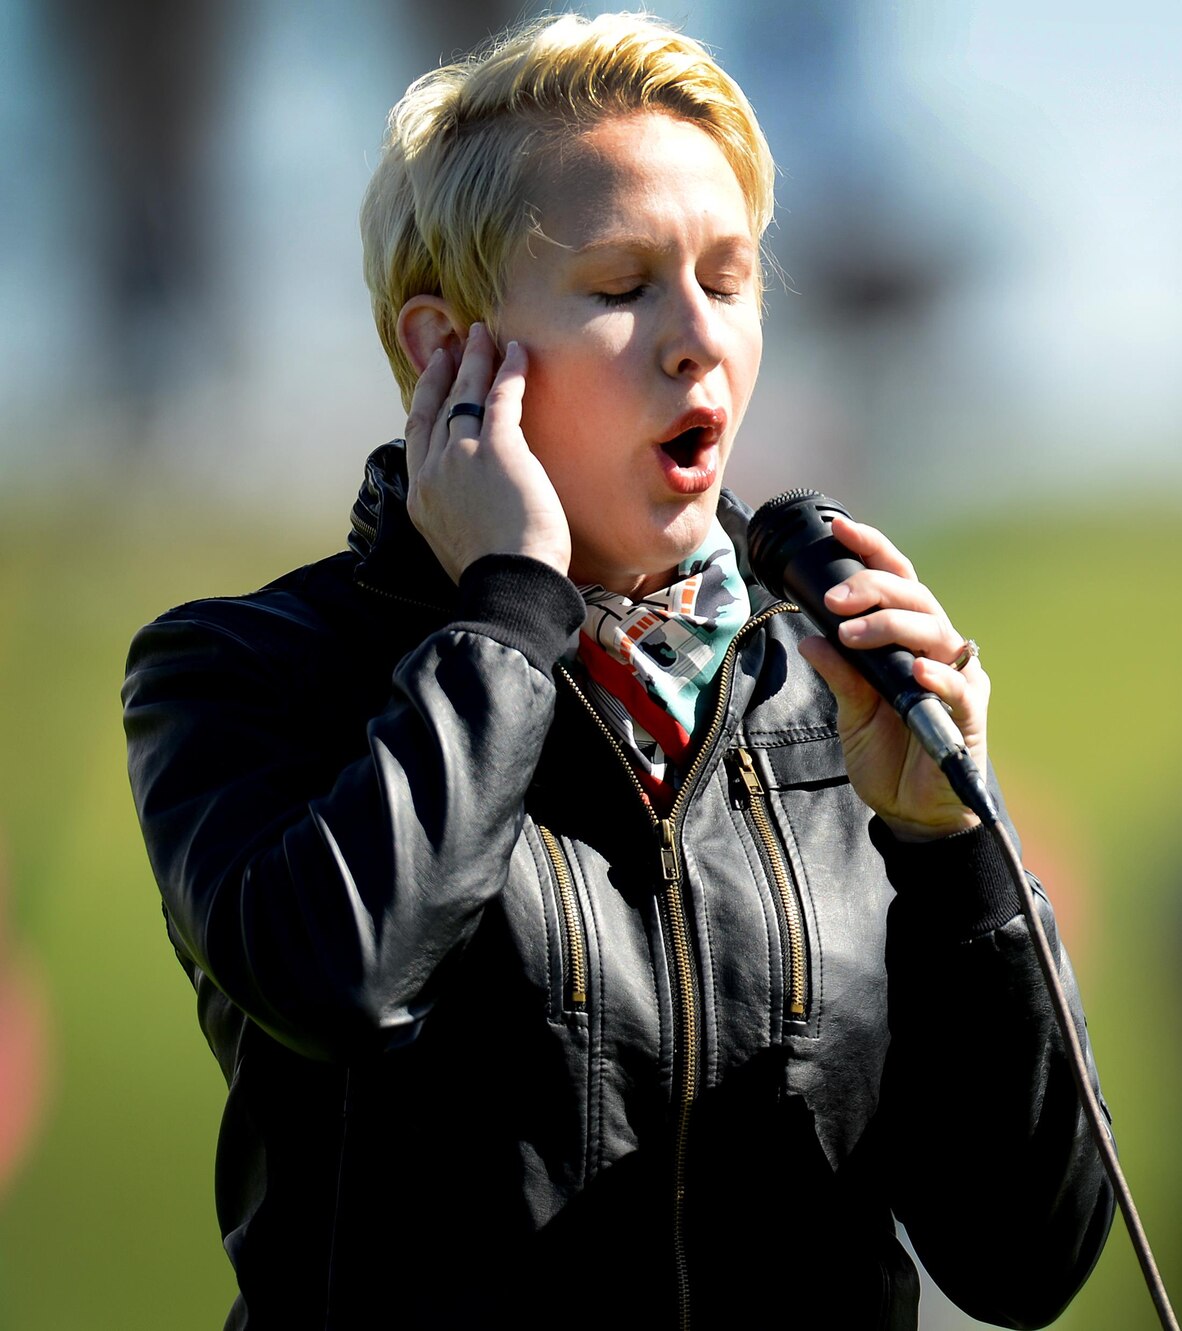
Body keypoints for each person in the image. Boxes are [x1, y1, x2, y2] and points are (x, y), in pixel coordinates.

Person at [120, 15, 1112, 1329]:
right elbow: (333, 975)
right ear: (448, 352)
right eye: (622, 283)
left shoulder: (841, 701)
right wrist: (508, 614)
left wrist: (951, 853)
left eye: (729, 275)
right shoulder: (246, 671)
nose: (697, 335)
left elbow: (1025, 1260)